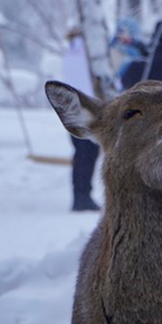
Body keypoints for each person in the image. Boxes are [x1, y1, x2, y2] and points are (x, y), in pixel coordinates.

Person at [61, 27, 100, 212]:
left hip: (72, 108)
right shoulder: (87, 53)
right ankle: (83, 197)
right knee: (88, 154)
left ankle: (80, 195)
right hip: (87, 108)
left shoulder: (69, 52)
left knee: (81, 154)